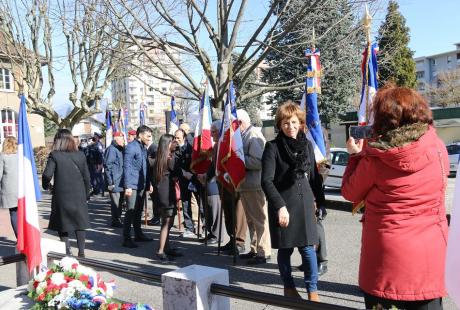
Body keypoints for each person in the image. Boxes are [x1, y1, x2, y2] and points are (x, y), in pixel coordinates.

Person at [341, 86, 448, 310]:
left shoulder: (377, 159)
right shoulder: (438, 147)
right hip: (431, 254)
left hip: (386, 260)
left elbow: (350, 192)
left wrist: (354, 156)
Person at [261, 101, 324, 302]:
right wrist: (280, 206)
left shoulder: (306, 144)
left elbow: (314, 177)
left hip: (304, 202)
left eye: (294, 122)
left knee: (308, 249)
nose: (291, 126)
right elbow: (266, 181)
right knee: (286, 249)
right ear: (280, 124)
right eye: (286, 123)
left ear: (301, 123)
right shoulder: (272, 147)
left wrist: (320, 201)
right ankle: (288, 287)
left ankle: (312, 292)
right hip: (283, 204)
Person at [42, 129, 91, 257]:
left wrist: (46, 185)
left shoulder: (55, 155)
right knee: (80, 223)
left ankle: (67, 251)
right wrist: (86, 194)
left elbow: (47, 174)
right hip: (79, 195)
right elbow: (87, 177)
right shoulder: (80, 155)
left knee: (62, 223)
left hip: (61, 195)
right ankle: (81, 252)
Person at [236, 109, 271, 265]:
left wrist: (238, 160)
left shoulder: (253, 135)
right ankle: (254, 249)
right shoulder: (244, 135)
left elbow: (258, 161)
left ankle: (264, 252)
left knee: (260, 220)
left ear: (241, 122)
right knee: (251, 221)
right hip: (245, 185)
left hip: (255, 185)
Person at [151, 134, 183, 261]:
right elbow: (178, 172)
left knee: (167, 223)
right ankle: (160, 250)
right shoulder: (169, 159)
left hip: (162, 194)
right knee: (167, 223)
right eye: (173, 142)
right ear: (167, 144)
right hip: (167, 195)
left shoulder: (160, 158)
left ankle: (166, 248)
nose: (176, 144)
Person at [122, 125, 153, 248]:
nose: (150, 138)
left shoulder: (143, 148)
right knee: (130, 211)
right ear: (140, 135)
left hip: (141, 184)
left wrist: (148, 183)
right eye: (148, 136)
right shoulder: (131, 147)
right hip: (132, 185)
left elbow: (145, 168)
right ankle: (126, 238)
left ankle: (138, 234)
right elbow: (127, 167)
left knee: (138, 211)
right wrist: (128, 186)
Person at [197, 120, 227, 245]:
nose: (211, 134)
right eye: (211, 131)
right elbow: (212, 165)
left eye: (214, 132)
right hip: (210, 180)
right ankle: (211, 233)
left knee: (215, 210)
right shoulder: (216, 146)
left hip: (218, 182)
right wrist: (205, 175)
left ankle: (217, 235)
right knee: (209, 209)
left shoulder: (223, 144)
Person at [174, 128, 197, 238]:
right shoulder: (175, 150)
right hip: (183, 180)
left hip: (195, 179)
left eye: (178, 137)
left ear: (184, 137)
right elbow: (175, 164)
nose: (176, 139)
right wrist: (182, 173)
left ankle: (205, 227)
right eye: (175, 137)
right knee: (186, 204)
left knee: (201, 204)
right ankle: (189, 228)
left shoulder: (191, 148)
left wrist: (191, 174)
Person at [104, 132, 125, 228]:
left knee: (119, 201)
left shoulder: (118, 149)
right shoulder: (112, 150)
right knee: (115, 202)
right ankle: (115, 220)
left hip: (120, 180)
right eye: (122, 139)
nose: (124, 141)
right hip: (114, 181)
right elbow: (108, 166)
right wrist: (110, 182)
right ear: (116, 139)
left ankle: (118, 219)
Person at [0, 136, 19, 238]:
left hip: (9, 190)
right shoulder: (20, 156)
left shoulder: (3, 156)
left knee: (13, 214)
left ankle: (19, 238)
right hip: (21, 189)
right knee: (21, 214)